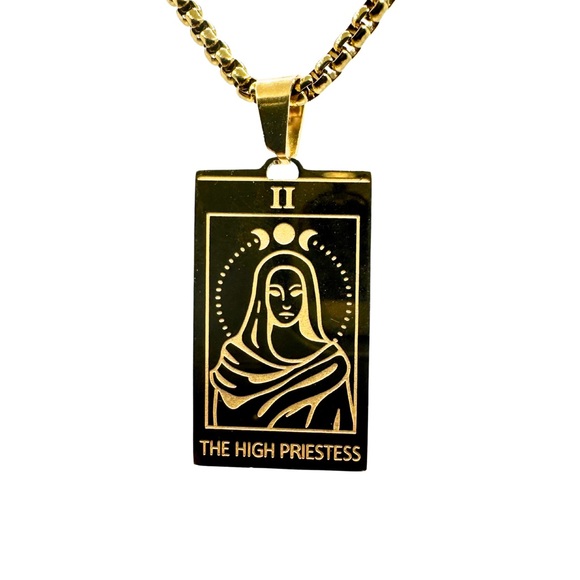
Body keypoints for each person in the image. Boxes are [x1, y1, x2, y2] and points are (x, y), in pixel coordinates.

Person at [210, 250, 354, 431]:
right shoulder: (234, 360)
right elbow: (219, 427)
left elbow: (344, 428)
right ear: (261, 297)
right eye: (275, 293)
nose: (286, 302)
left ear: (307, 296)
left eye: (296, 292)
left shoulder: (331, 363)